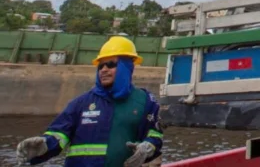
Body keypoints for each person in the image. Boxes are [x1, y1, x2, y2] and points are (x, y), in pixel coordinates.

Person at [17, 36, 163, 167]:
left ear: (127, 67)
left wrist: (148, 147)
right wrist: (44, 145)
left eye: (110, 64)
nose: (104, 70)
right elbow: (59, 134)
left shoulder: (145, 101)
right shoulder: (81, 103)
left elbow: (155, 135)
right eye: (101, 66)